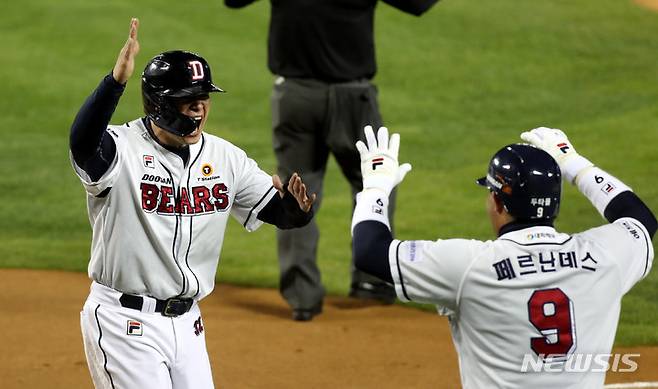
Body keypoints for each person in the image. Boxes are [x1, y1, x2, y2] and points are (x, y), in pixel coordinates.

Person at [71, 19, 316, 389]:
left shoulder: (225, 157)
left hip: (189, 325)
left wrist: (295, 211)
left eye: (203, 98)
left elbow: (277, 211)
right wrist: (114, 84)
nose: (199, 108)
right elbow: (83, 143)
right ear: (160, 104)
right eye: (188, 100)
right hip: (124, 323)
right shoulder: (121, 149)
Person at [351, 126, 656, 387]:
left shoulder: (469, 266)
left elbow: (369, 251)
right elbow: (639, 218)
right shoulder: (605, 257)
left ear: (497, 201)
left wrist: (376, 188)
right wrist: (575, 164)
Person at [223, 0, 440, 321]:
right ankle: (371, 279)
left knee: (297, 194)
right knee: (378, 178)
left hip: (296, 99)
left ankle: (302, 298)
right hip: (355, 98)